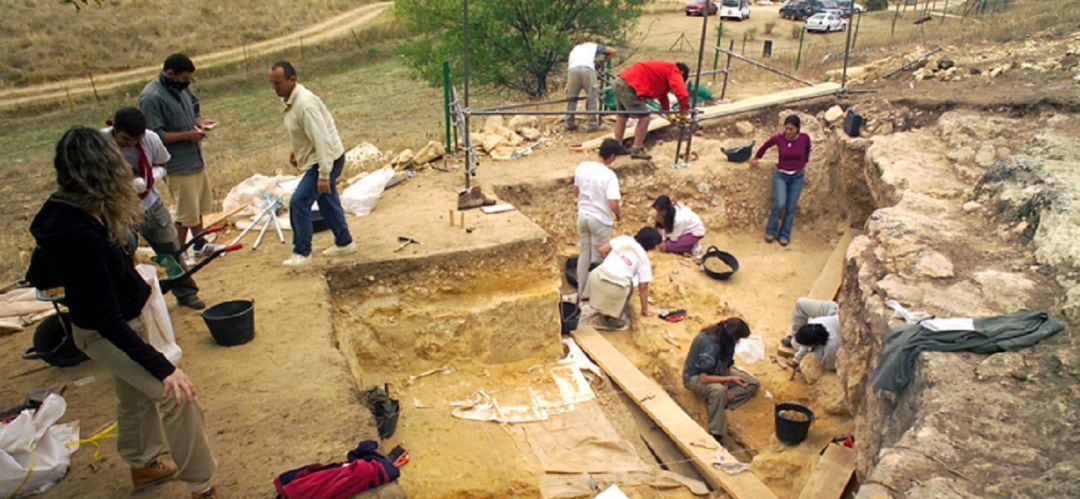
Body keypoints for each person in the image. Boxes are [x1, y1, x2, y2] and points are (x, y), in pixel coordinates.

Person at [26, 127, 220, 499]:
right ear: (104, 170)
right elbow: (105, 319)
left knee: (133, 397)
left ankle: (143, 465)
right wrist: (165, 368)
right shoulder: (76, 233)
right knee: (176, 395)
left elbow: (48, 272)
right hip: (102, 332)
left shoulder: (71, 209)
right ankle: (202, 486)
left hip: (115, 320)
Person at [103, 107, 206, 310]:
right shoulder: (100, 143)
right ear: (115, 129)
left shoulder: (150, 139)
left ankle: (185, 292)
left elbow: (163, 164)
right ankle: (132, 302)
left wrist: (149, 179)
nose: (129, 144)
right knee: (123, 255)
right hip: (117, 209)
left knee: (170, 249)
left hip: (150, 203)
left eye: (134, 140)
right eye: (124, 139)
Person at [267, 60, 355, 266]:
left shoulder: (305, 105)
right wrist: (297, 152)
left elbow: (322, 140)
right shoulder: (291, 101)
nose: (274, 88)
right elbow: (306, 134)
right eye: (272, 83)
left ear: (292, 79)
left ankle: (302, 252)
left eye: (278, 83)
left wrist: (324, 174)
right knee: (327, 200)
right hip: (323, 157)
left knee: (299, 201)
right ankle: (344, 242)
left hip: (326, 159)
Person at [139, 53, 222, 259]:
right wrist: (188, 135)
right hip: (176, 164)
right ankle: (178, 253)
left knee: (197, 205)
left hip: (194, 159)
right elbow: (154, 136)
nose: (187, 84)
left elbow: (194, 104)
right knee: (185, 213)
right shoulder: (151, 97)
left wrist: (199, 121)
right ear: (170, 73)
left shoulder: (180, 89)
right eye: (184, 79)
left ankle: (199, 244)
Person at [681, 318, 761, 447]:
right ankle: (715, 433)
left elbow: (726, 364)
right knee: (718, 391)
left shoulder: (726, 340)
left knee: (752, 383)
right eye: (739, 338)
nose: (739, 342)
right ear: (733, 336)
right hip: (694, 377)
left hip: (716, 371)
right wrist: (728, 381)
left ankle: (718, 401)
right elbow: (704, 378)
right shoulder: (711, 345)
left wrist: (726, 385)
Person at [749, 114, 812, 246]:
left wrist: (804, 162)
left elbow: (807, 149)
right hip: (781, 175)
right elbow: (765, 146)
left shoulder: (805, 138)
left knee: (790, 207)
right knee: (779, 203)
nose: (788, 132)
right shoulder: (779, 138)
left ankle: (784, 234)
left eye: (791, 129)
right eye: (786, 128)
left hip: (797, 177)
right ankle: (771, 231)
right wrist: (756, 157)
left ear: (797, 129)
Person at [581, 227, 662, 329]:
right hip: (615, 289)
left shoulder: (624, 239)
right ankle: (610, 318)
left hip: (596, 278)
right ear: (651, 246)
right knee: (630, 286)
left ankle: (589, 303)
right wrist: (645, 310)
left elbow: (602, 249)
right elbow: (643, 287)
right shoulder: (643, 259)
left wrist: (611, 262)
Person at [574, 138, 626, 295]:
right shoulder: (609, 176)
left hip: (583, 216)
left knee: (584, 254)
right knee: (599, 258)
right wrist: (618, 215)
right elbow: (612, 203)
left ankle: (582, 291)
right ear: (612, 156)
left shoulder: (582, 167)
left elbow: (576, 191)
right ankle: (594, 294)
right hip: (600, 220)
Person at [612, 60, 691, 160]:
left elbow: (662, 95)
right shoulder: (673, 70)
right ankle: (637, 149)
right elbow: (683, 94)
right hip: (630, 86)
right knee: (645, 118)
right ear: (682, 73)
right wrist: (683, 110)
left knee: (622, 116)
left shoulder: (663, 70)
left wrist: (668, 113)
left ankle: (617, 146)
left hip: (620, 81)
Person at [565, 42, 616, 132]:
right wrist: (604, 60)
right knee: (592, 97)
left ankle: (569, 123)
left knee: (571, 98)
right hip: (587, 69)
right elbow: (612, 51)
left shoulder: (575, 48)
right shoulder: (593, 46)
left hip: (572, 70)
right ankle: (592, 125)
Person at [782, 297, 840, 371]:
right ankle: (794, 341)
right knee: (800, 304)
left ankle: (794, 343)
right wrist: (796, 359)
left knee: (796, 345)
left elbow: (830, 366)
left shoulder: (828, 352)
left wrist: (802, 366)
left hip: (842, 335)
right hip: (836, 314)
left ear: (814, 344)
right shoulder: (814, 323)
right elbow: (807, 342)